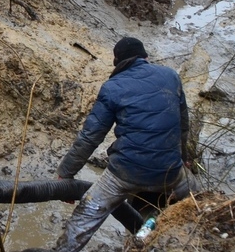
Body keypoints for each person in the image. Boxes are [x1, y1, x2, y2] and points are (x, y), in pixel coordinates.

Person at [51, 37, 198, 252]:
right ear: (146, 57)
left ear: (117, 63)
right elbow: (184, 126)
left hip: (122, 176)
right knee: (200, 202)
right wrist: (184, 160)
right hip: (171, 172)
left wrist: (65, 174)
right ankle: (156, 235)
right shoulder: (171, 76)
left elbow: (90, 137)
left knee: (82, 219)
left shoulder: (112, 87)